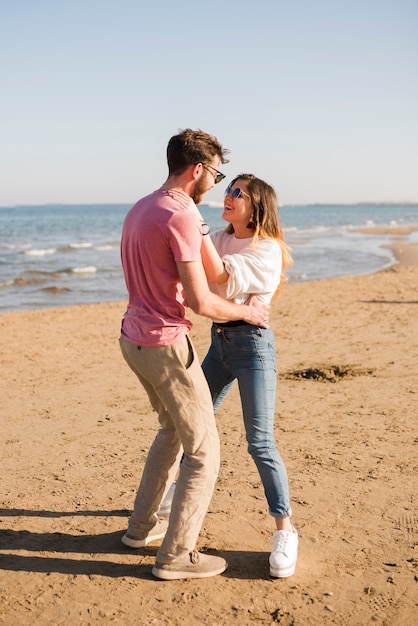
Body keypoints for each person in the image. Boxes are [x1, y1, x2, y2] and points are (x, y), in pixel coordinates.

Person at [119, 130, 270, 581]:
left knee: (170, 429)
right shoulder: (181, 215)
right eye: (217, 173)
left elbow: (201, 267)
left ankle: (139, 529)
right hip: (165, 344)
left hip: (132, 339)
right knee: (204, 453)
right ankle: (176, 556)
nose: (217, 183)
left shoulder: (143, 206)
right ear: (198, 170)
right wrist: (249, 313)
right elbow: (202, 302)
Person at [159, 173, 298, 578]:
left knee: (260, 442)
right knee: (194, 423)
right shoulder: (219, 238)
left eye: (239, 193)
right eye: (228, 189)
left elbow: (217, 276)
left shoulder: (267, 249)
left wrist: (192, 219)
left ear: (258, 207)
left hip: (253, 349)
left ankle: (285, 529)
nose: (229, 195)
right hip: (220, 345)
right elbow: (197, 277)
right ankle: (175, 494)